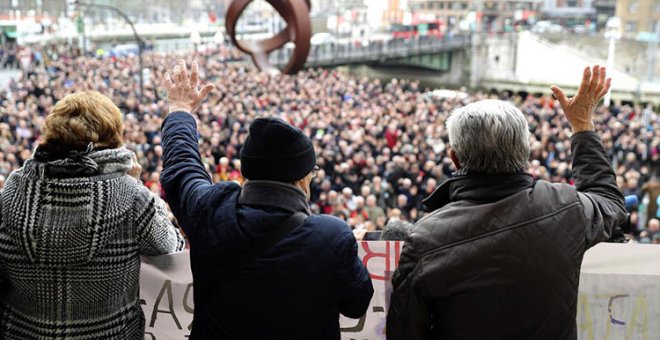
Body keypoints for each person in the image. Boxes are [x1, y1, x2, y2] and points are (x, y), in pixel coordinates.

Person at [387, 65, 628, 339]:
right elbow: (608, 200)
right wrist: (582, 126)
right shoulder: (566, 207)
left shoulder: (425, 239)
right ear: (526, 153)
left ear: (455, 159)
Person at [160, 60, 374, 340]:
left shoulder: (211, 211)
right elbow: (357, 303)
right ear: (301, 178)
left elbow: (182, 166)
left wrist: (180, 111)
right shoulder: (332, 235)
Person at [0, 91, 185, 339]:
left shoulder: (10, 195)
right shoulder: (131, 196)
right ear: (112, 135)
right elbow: (172, 249)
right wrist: (136, 187)